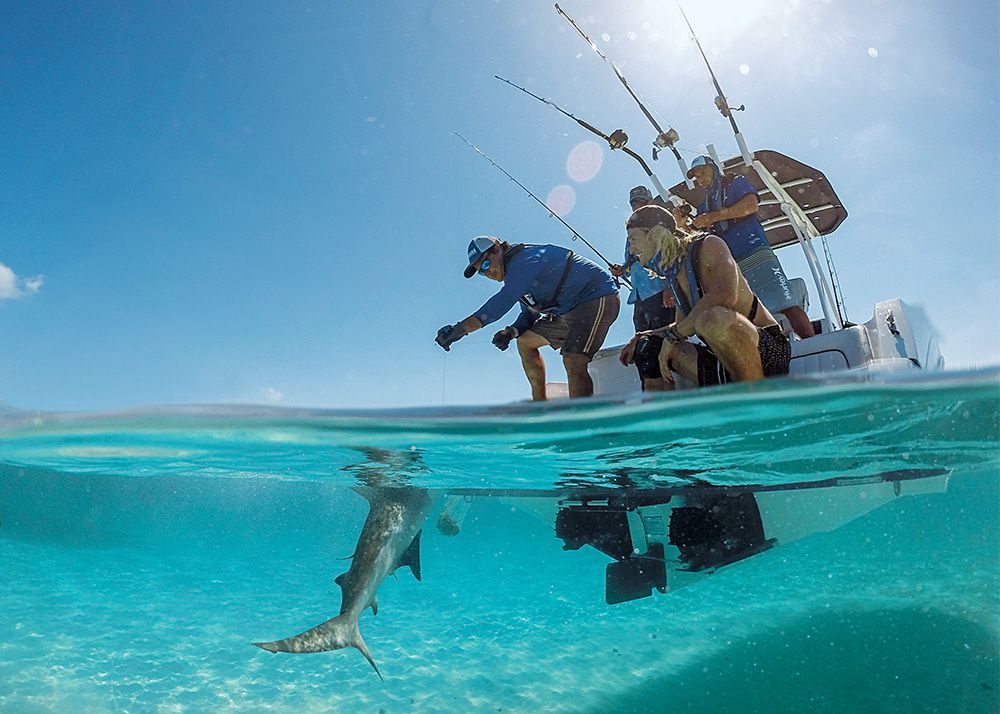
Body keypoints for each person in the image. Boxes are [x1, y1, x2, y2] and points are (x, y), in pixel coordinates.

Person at [619, 205, 791, 386]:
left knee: (711, 319)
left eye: (633, 239)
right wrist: (645, 334)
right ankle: (662, 412)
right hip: (723, 359)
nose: (631, 250)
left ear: (655, 234)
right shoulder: (674, 276)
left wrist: (672, 336)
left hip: (769, 352)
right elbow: (681, 325)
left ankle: (757, 399)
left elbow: (725, 296)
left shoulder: (709, 244)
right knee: (649, 345)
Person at [436, 236, 620, 400]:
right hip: (566, 313)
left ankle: (584, 426)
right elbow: (529, 314)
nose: (488, 273)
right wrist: (510, 332)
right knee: (524, 342)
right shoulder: (516, 278)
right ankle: (540, 407)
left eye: (485, 265)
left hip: (597, 297)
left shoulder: (524, 259)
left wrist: (459, 330)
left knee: (573, 359)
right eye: (481, 272)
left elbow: (502, 302)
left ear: (498, 249)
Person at [687, 155, 815, 339]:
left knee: (787, 302)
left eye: (703, 173)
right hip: (733, 265)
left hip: (756, 252)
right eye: (697, 177)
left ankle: (812, 342)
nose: (700, 179)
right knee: (750, 315)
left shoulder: (735, 183)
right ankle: (773, 354)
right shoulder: (703, 206)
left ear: (714, 169)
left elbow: (751, 205)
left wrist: (713, 217)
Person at [609, 185, 676, 391]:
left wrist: (669, 287)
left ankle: (669, 396)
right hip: (639, 298)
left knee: (656, 347)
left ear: (651, 203)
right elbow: (631, 267)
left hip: (660, 294)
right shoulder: (632, 236)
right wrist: (622, 270)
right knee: (642, 349)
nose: (637, 206)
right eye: (633, 203)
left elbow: (672, 259)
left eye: (641, 202)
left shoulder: (661, 228)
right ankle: (653, 399)